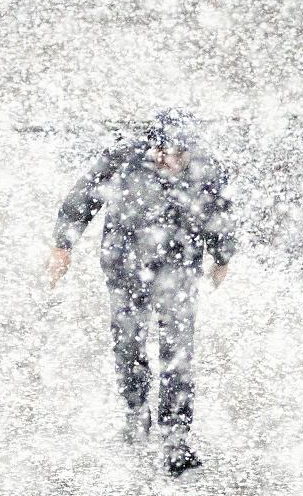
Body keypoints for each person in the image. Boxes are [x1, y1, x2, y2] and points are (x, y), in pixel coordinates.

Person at [46, 109, 236, 476]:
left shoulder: (206, 170)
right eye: (165, 152)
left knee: (177, 351)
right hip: (125, 268)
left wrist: (222, 255)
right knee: (128, 345)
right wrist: (63, 246)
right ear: (153, 146)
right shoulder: (122, 159)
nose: (171, 162)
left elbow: (220, 213)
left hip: (179, 271)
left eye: (180, 155)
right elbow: (82, 198)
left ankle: (175, 437)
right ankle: (136, 412)